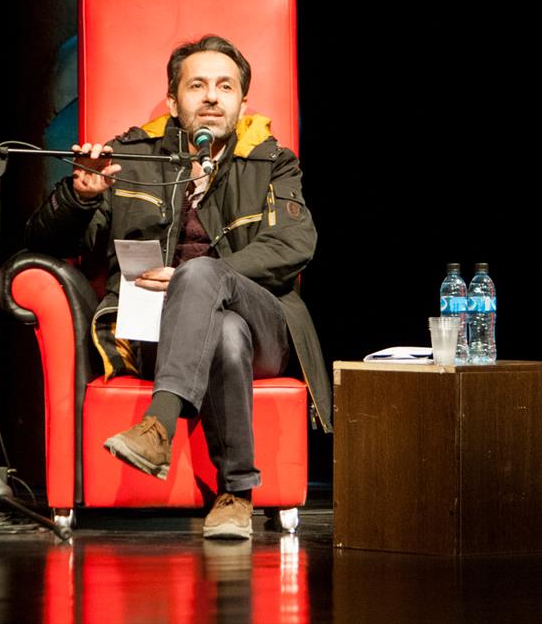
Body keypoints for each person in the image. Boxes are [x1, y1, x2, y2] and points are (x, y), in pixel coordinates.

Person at [25, 35, 331, 539]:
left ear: (242, 103)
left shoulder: (271, 160)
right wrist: (81, 196)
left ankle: (157, 427)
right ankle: (236, 496)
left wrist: (209, 273)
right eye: (197, 86)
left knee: (205, 279)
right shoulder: (132, 159)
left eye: (225, 87)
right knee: (224, 335)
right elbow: (43, 241)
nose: (211, 96)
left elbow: (295, 243)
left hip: (265, 326)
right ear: (173, 101)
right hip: (157, 334)